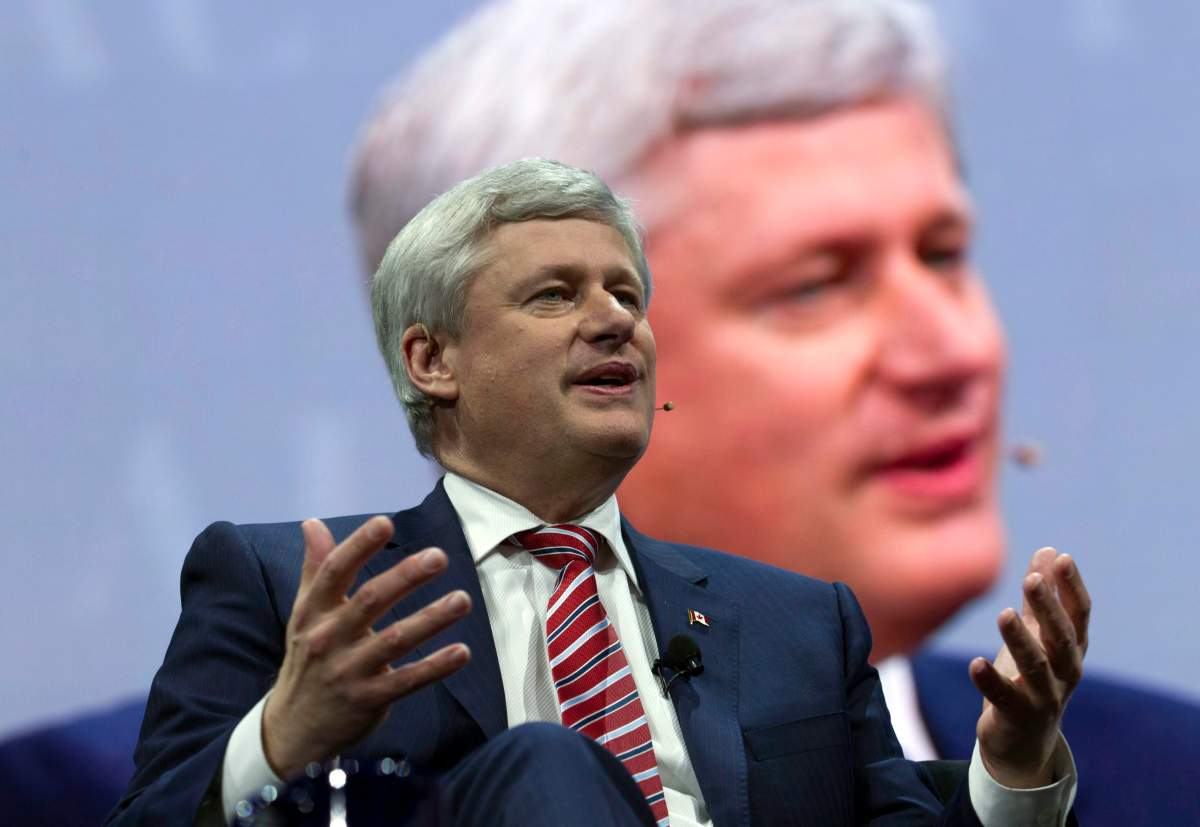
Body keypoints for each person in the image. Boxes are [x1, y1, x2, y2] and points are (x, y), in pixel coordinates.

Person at [343, 1, 1200, 823]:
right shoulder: (344, 785)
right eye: (814, 285)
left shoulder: (1169, 782)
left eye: (942, 255)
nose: (956, 351)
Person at [107, 158, 1086, 825]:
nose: (615, 320)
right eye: (554, 295)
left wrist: (1015, 759)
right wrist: (282, 734)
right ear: (432, 357)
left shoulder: (798, 621)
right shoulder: (294, 587)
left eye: (627, 294)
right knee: (549, 763)